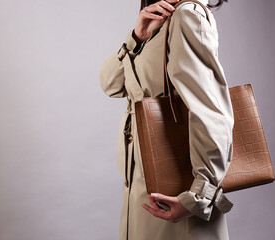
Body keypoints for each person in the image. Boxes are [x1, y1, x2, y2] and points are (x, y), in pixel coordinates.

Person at [99, 0, 234, 239]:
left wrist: (199, 196)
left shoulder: (187, 17)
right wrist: (137, 38)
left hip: (176, 193)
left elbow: (210, 110)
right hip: (144, 186)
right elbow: (111, 84)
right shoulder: (162, 20)